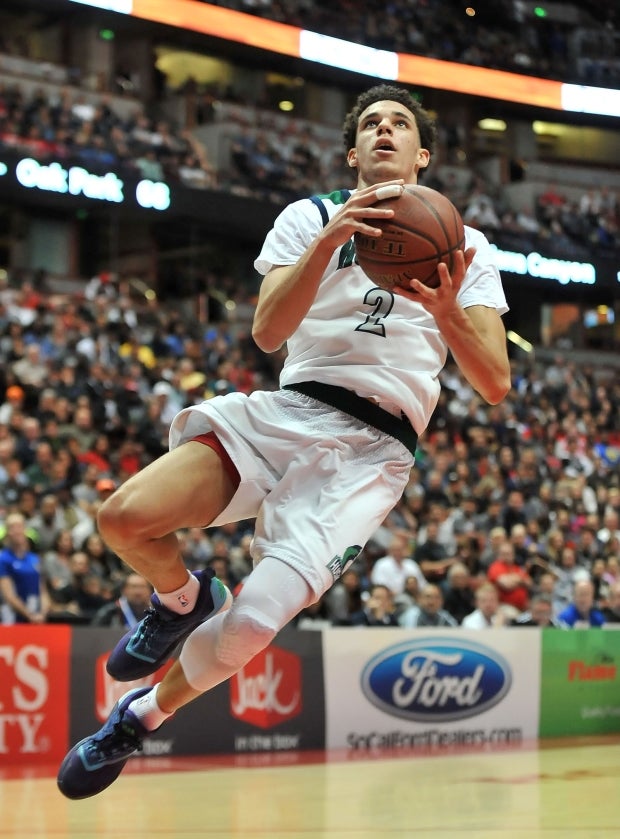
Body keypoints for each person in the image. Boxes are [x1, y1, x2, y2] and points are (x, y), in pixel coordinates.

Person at [56, 83, 510, 799]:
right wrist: (333, 240)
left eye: (398, 125)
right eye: (369, 125)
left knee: (253, 627)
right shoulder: (309, 216)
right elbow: (267, 331)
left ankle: (139, 716)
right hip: (291, 408)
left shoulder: (469, 248)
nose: (383, 132)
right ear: (353, 151)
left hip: (374, 450)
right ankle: (180, 600)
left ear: (422, 155)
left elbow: (493, 382)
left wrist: (449, 313)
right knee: (122, 518)